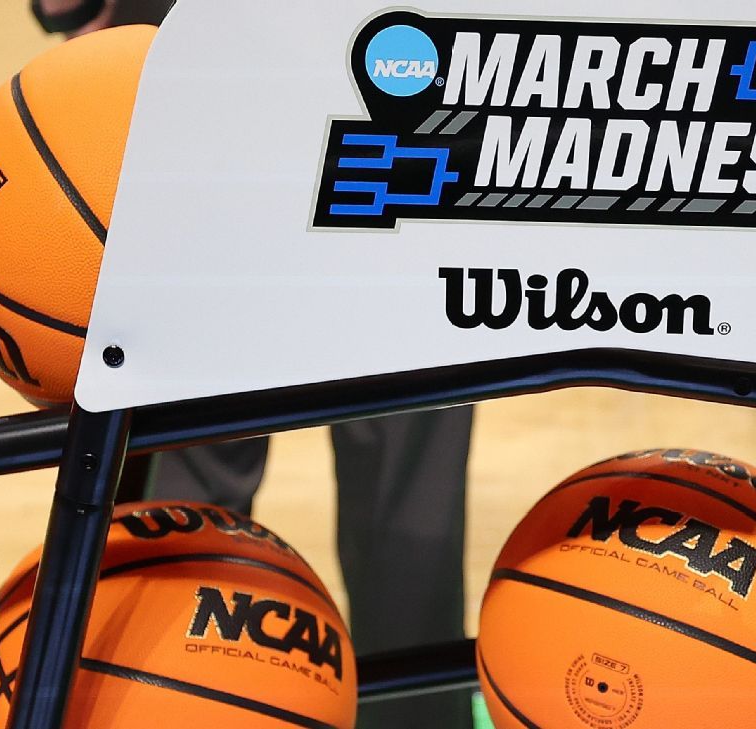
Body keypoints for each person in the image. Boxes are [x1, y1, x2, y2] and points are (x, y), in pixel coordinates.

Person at [31, 2, 474, 726]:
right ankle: (417, 711)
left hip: (219, 85)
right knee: (404, 466)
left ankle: (165, 702)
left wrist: (87, 13)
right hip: (406, 72)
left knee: (198, 458)